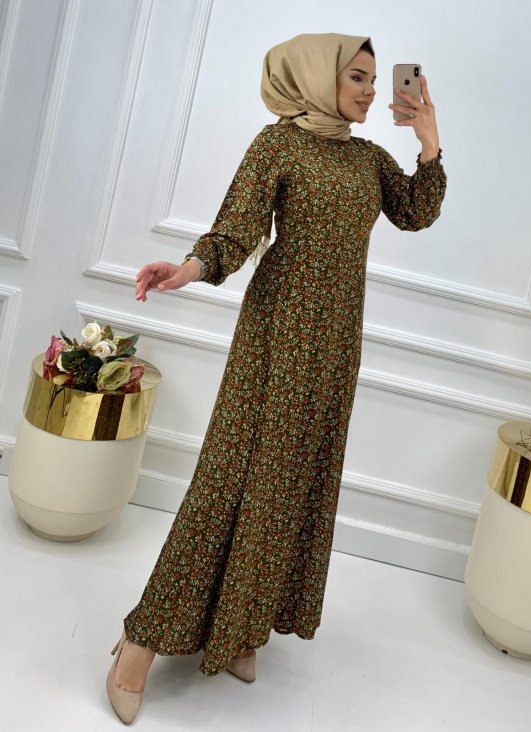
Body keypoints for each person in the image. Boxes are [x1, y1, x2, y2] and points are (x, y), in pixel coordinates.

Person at [106, 32, 446, 725]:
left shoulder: (368, 159)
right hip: (276, 334)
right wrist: (186, 269)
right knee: (230, 479)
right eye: (356, 77)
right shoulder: (278, 145)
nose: (369, 91)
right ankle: (139, 643)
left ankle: (239, 626)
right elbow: (235, 232)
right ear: (317, 77)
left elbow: (415, 212)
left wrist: (429, 141)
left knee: (293, 482)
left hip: (335, 344)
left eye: (374, 80)